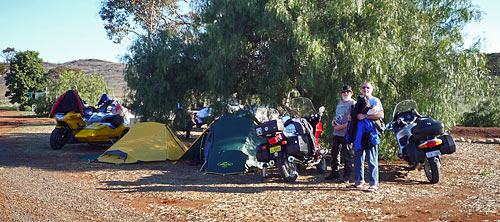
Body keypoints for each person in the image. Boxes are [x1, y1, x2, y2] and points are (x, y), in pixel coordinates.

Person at [347, 82, 384, 192]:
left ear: (371, 89)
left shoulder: (375, 101)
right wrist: (351, 117)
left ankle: (373, 184)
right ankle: (358, 182)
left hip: (370, 134)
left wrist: (365, 116)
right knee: (358, 158)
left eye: (368, 87)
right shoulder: (358, 101)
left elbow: (381, 115)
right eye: (363, 87)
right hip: (359, 134)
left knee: (371, 159)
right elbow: (354, 115)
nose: (365, 89)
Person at [325, 85, 355, 181]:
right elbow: (337, 115)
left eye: (348, 92)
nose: (346, 93)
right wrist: (333, 122)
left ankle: (347, 175)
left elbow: (353, 120)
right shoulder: (340, 103)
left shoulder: (353, 104)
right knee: (334, 153)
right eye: (344, 92)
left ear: (351, 93)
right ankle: (334, 173)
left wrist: (342, 126)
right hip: (336, 132)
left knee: (346, 155)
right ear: (341, 94)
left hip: (346, 133)